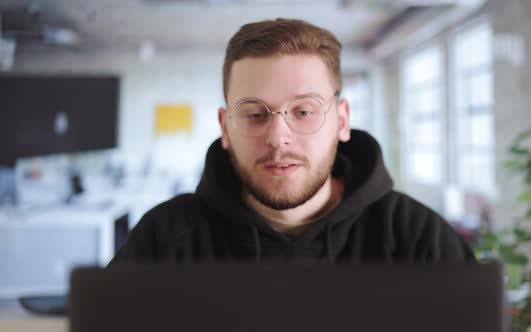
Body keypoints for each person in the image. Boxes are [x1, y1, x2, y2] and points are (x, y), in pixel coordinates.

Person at [109, 18, 475, 265]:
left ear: (342, 121)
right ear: (225, 127)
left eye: (303, 111)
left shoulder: (416, 239)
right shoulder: (165, 240)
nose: (278, 138)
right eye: (254, 114)